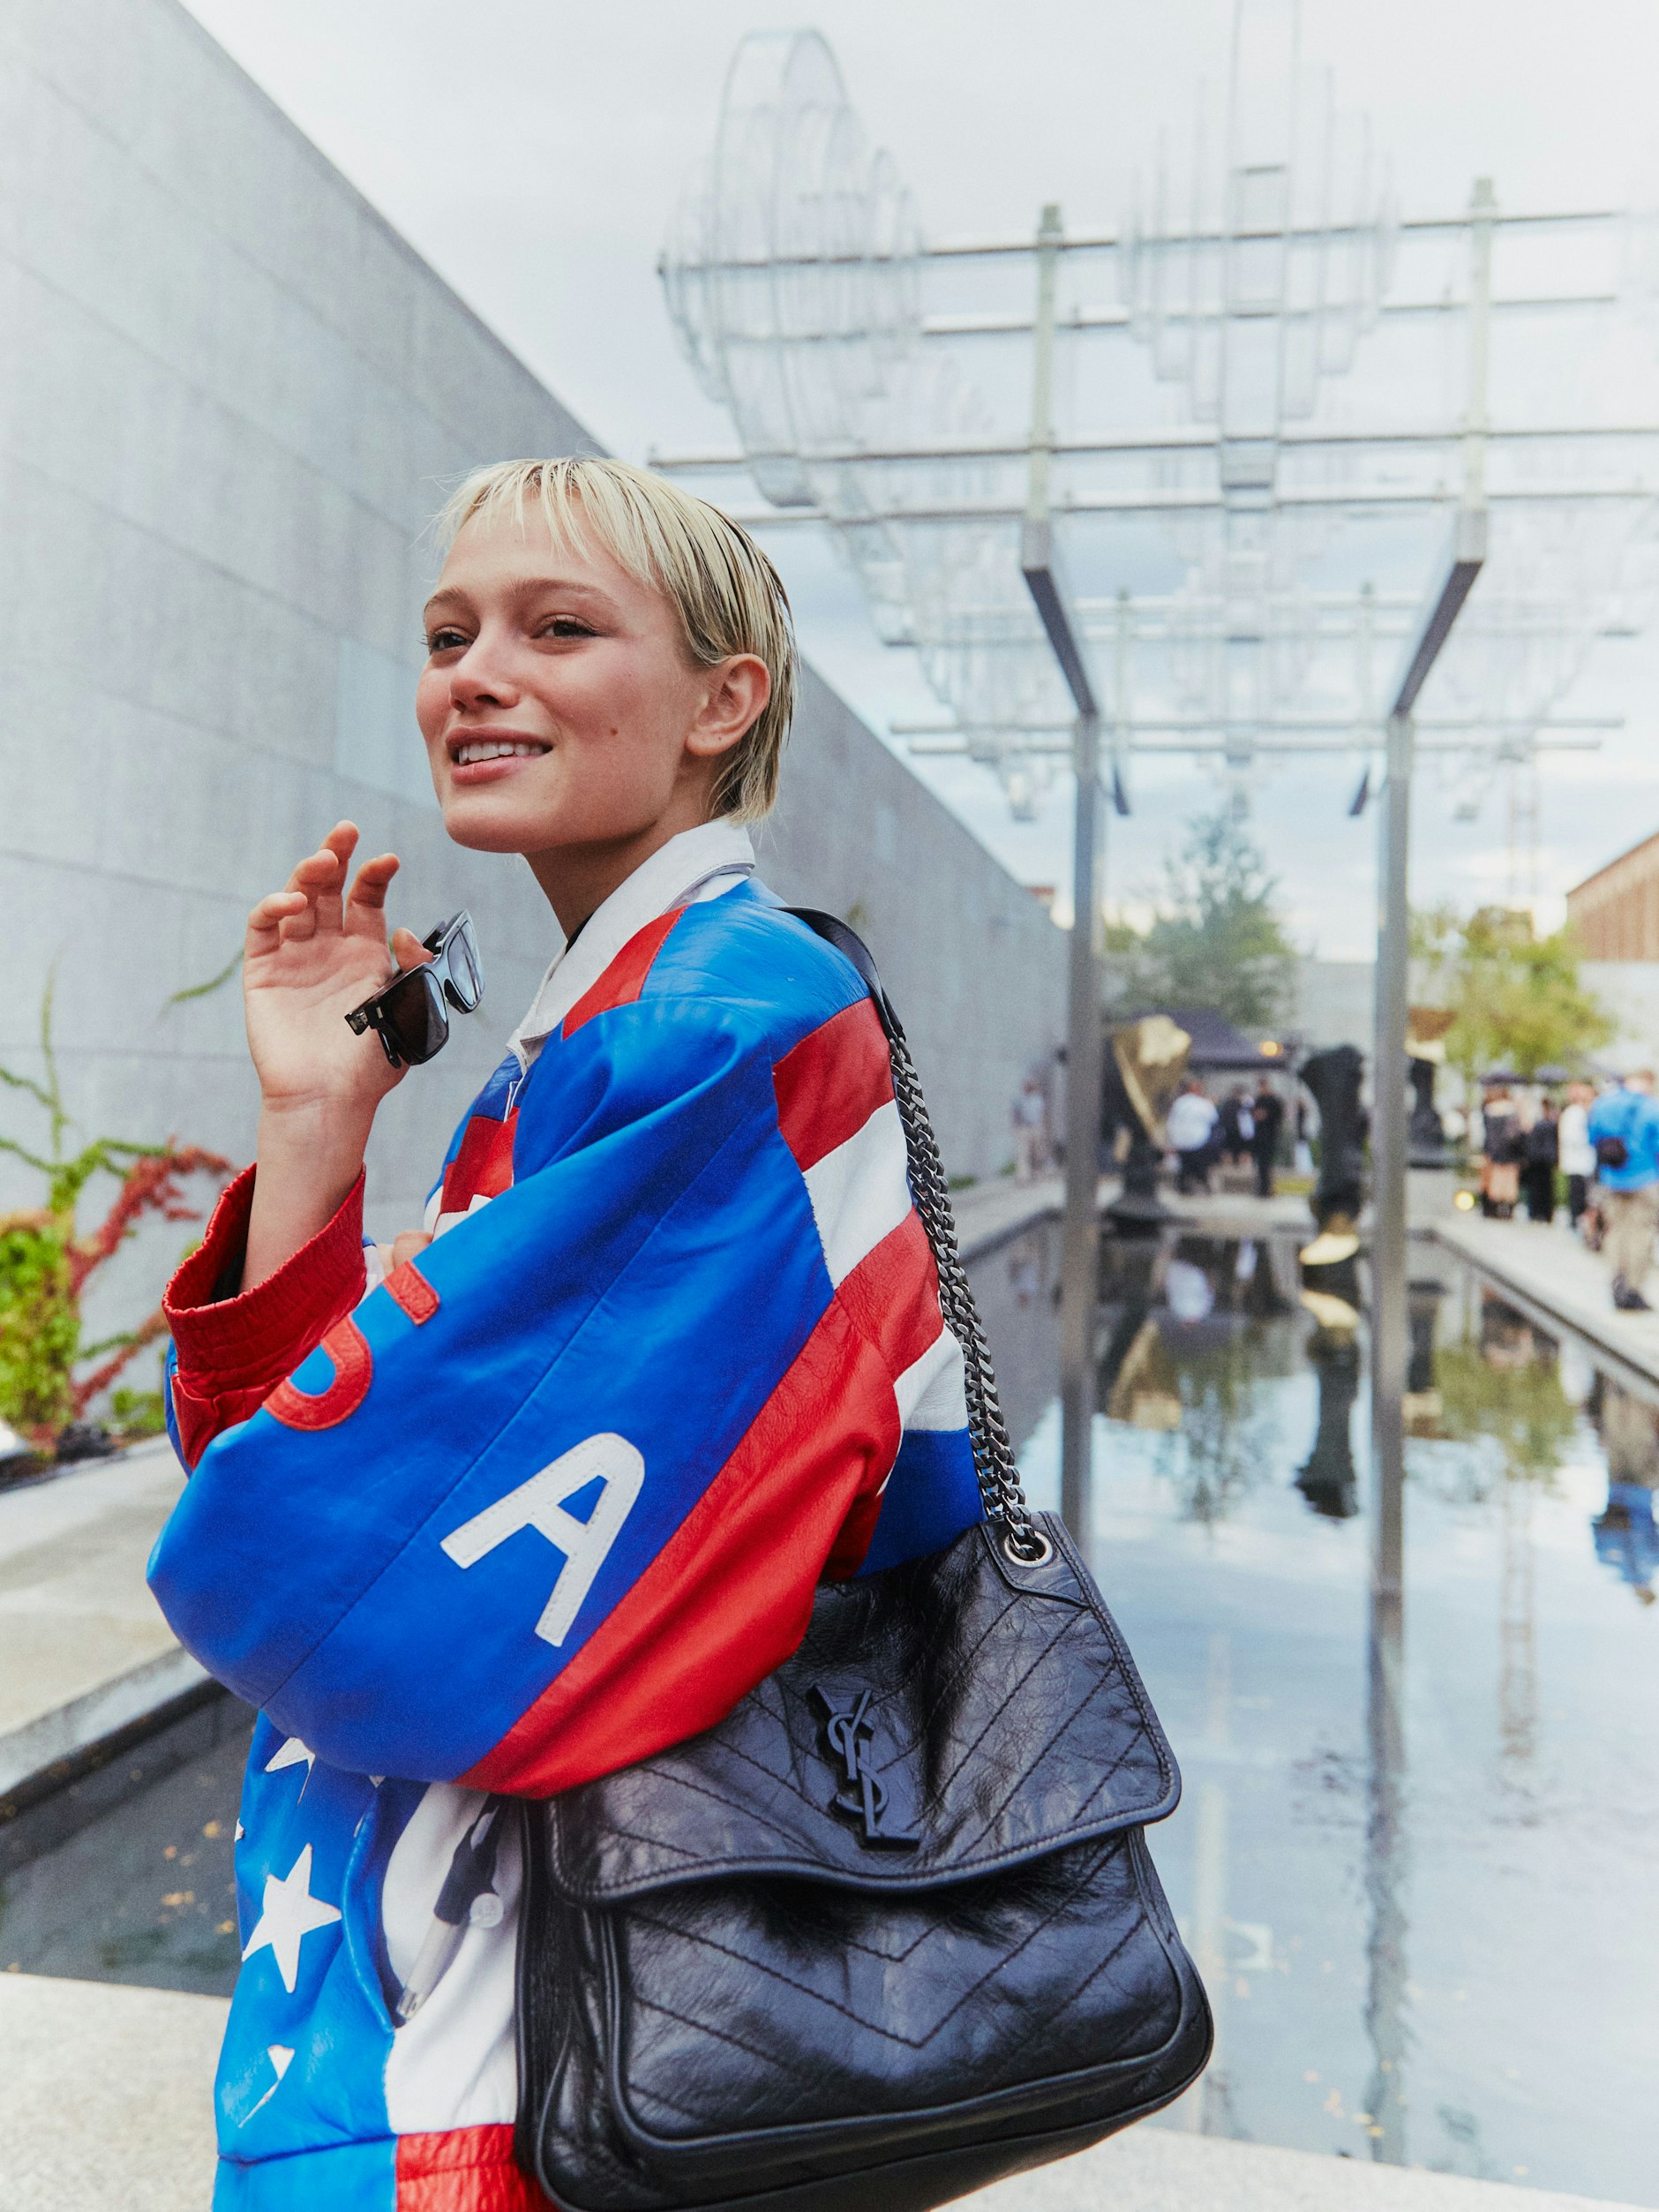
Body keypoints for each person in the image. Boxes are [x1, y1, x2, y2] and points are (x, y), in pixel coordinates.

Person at [145, 459, 991, 2210]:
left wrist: (284, 1488)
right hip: (501, 1969)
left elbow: (331, 1565)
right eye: (450, 632)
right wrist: (318, 1119)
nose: (475, 670)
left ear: (720, 698)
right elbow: (306, 1475)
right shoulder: (612, 1018)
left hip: (528, 2032)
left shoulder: (715, 1016)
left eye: (557, 626)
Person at [1588, 1069, 1659, 1308]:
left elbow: (1592, 1139)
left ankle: (1617, 1278)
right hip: (1645, 1178)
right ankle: (1633, 1288)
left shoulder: (1603, 1104)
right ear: (1648, 1082)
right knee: (1640, 1232)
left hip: (1612, 1178)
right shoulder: (1652, 1108)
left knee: (1616, 1230)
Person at [1167, 1077, 1220, 1193]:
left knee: (1184, 1167)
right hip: (1198, 1140)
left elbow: (1171, 1120)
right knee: (1199, 1167)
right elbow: (1214, 1119)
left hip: (1182, 1140)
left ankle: (1183, 1187)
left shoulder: (1179, 1102)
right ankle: (1204, 1187)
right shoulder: (1203, 1103)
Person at [1478, 1083, 1522, 1218]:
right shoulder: (1512, 1110)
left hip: (1495, 1151)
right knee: (1509, 1180)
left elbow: (1487, 1135)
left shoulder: (1490, 1110)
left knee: (1497, 1179)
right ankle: (1508, 1208)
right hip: (1510, 1151)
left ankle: (1496, 1207)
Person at [1559, 1080, 1595, 1230]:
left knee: (1581, 1192)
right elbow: (1572, 1136)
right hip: (1578, 1159)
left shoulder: (1583, 1111)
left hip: (1583, 1159)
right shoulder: (1575, 1112)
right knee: (1577, 1192)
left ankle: (1579, 1218)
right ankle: (1575, 1219)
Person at [1524, 1096, 1559, 1224]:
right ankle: (1546, 1213)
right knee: (1546, 1187)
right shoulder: (1552, 1122)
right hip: (1547, 1157)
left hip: (1536, 1158)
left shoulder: (1538, 1123)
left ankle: (1536, 1213)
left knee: (1536, 1187)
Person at [1250, 1079, 1285, 1200]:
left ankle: (1267, 1188)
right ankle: (1261, 1188)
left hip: (1270, 1136)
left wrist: (1266, 1115)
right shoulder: (1258, 1100)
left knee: (1267, 1164)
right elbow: (1252, 1114)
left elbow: (1278, 1116)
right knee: (1260, 1165)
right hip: (1260, 1136)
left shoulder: (1274, 1101)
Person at [1012, 1071, 1048, 1183]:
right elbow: (1016, 1114)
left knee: (1037, 1153)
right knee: (1023, 1153)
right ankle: (1023, 1176)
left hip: (1036, 1128)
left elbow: (1043, 1114)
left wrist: (1044, 1129)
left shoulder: (1038, 1099)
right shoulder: (1019, 1099)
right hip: (1023, 1128)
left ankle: (1036, 1173)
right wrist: (1016, 1127)